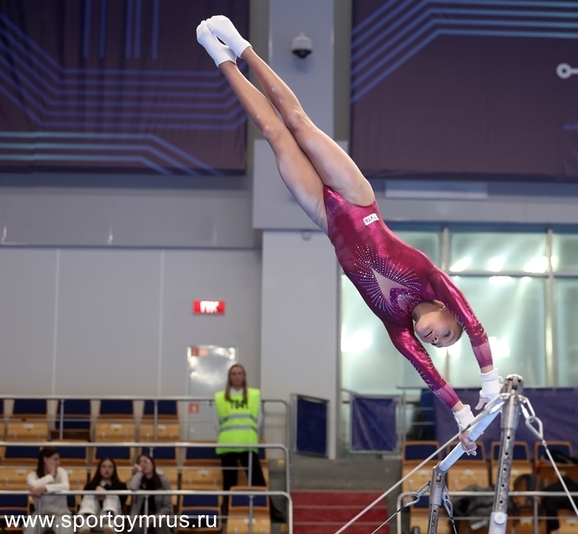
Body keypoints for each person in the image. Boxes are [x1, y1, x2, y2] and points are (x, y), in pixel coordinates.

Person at [195, 15, 500, 452]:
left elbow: (427, 372)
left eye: (439, 343)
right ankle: (243, 46)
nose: (437, 340)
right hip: (357, 200)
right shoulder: (433, 281)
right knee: (297, 122)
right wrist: (488, 381)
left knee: (275, 135)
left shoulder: (396, 326)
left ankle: (221, 59)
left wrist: (461, 413)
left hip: (325, 216)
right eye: (447, 334)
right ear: (445, 311)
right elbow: (476, 325)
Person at [214, 364, 267, 490]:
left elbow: (259, 419)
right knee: (229, 483)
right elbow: (216, 422)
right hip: (228, 445)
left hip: (248, 444)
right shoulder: (220, 397)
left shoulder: (254, 395)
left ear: (244, 376)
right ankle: (227, 504)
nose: (236, 377)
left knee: (257, 480)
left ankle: (266, 504)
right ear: (229, 377)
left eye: (239, 373)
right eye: (233, 374)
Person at [24, 446, 71, 534]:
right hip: (40, 515)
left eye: (58, 459)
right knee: (31, 526)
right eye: (55, 459)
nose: (58, 462)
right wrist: (50, 476)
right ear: (45, 459)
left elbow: (66, 487)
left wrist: (45, 488)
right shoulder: (32, 475)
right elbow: (33, 487)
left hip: (60, 515)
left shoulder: (62, 472)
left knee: (63, 526)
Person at [77, 457, 128, 534]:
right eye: (104, 466)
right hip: (94, 522)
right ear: (99, 469)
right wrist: (96, 491)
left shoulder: (121, 486)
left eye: (110, 467)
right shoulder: (91, 485)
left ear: (114, 469)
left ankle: (110, 525)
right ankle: (85, 525)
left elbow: (123, 502)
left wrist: (105, 492)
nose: (107, 469)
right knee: (89, 495)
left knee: (112, 496)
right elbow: (83, 499)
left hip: (115, 522)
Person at [128, 454, 171, 534]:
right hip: (140, 517)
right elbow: (132, 487)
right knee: (135, 528)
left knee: (160, 522)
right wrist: (139, 473)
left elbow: (166, 507)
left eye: (146, 462)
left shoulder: (164, 481)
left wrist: (153, 518)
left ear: (153, 464)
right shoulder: (137, 480)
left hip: (158, 515)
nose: (144, 464)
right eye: (140, 463)